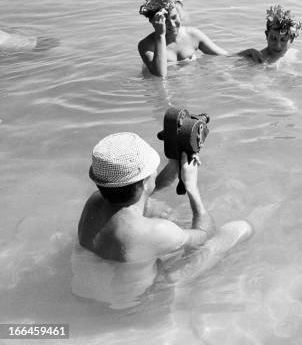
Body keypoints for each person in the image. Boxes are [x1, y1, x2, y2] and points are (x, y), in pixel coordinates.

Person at [72, 132, 252, 308]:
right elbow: (205, 234)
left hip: (87, 292)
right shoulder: (156, 231)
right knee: (238, 229)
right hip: (138, 301)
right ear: (144, 182)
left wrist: (175, 163)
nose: (155, 171)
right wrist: (192, 187)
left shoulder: (94, 201)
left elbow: (143, 190)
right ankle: (261, 219)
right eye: (153, 169)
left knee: (151, 210)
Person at [138, 0, 230, 76]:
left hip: (189, 83)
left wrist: (249, 53)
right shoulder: (146, 45)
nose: (172, 25)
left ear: (179, 13)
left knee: (225, 75)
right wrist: (160, 35)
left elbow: (226, 57)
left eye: (174, 17)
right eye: (165, 21)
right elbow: (160, 76)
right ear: (153, 22)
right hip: (166, 86)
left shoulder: (192, 35)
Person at [238, 4, 302, 64]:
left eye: (283, 40)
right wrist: (250, 51)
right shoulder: (255, 60)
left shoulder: (293, 53)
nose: (278, 46)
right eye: (273, 38)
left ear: (292, 39)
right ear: (266, 35)